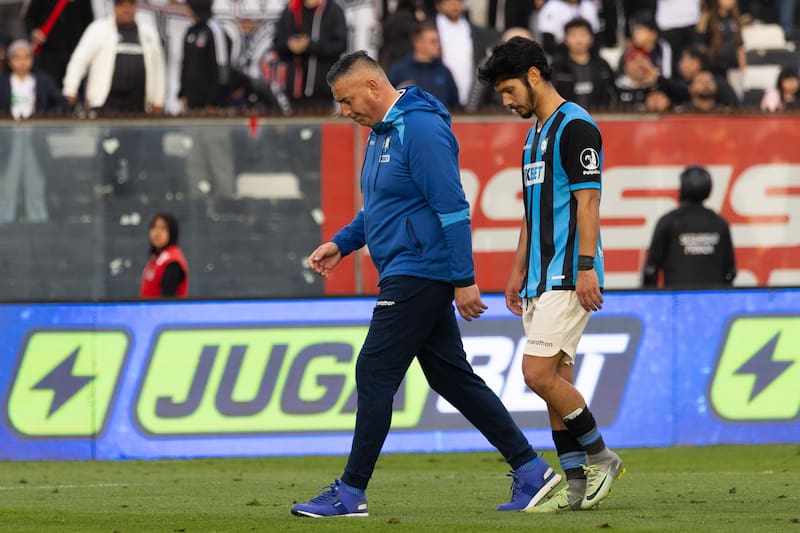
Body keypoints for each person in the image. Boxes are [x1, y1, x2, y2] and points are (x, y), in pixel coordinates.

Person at [291, 50, 561, 518]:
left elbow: (453, 206)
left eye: (347, 100)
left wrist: (464, 279)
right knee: (451, 378)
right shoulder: (381, 135)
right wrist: (342, 243)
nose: (344, 111)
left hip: (419, 271)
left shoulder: (419, 129)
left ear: (373, 87)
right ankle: (531, 470)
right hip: (411, 268)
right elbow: (382, 208)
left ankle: (351, 492)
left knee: (374, 372)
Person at [477, 36, 624, 513]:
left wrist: (585, 268)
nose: (506, 100)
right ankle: (576, 482)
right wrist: (516, 271)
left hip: (568, 273)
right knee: (555, 382)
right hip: (540, 276)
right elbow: (532, 212)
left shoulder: (576, 126)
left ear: (534, 76)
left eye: (509, 89)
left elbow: (589, 201)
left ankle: (602, 457)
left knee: (536, 373)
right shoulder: (533, 134)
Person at [0, 39, 67, 224]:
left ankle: (38, 224)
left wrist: (42, 117)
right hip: (8, 139)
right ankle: (5, 224)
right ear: (10, 61)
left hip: (35, 137)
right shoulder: (3, 82)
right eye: (17, 58)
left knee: (35, 185)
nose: (22, 62)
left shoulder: (42, 81)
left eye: (26, 57)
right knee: (7, 186)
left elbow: (61, 104)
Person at [62, 0, 165, 114]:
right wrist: (70, 89)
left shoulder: (148, 32)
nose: (126, 10)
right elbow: (78, 61)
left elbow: (158, 68)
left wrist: (158, 100)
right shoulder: (98, 29)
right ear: (115, 7)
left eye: (130, 5)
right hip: (106, 103)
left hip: (138, 105)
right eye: (122, 5)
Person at [643, 165, 736, 288]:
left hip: (678, 303)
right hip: (712, 303)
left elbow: (650, 271)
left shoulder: (668, 222)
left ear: (682, 188)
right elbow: (730, 272)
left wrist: (651, 301)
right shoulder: (720, 224)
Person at [272, 0, 348, 113]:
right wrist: (290, 45)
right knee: (296, 128)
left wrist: (309, 46)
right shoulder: (291, 10)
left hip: (323, 94)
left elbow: (340, 45)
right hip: (295, 94)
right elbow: (277, 43)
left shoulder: (332, 10)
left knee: (321, 127)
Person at [23, 0, 93, 90]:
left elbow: (88, 20)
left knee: (72, 89)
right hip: (49, 52)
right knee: (50, 89)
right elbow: (29, 18)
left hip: (75, 52)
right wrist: (34, 32)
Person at [387, 23, 460, 109]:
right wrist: (397, 93)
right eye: (433, 41)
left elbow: (455, 105)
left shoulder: (444, 71)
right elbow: (385, 103)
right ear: (418, 44)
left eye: (439, 41)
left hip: (439, 122)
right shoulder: (398, 71)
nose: (439, 46)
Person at [550, 17, 617, 110]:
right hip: (567, 119)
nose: (578, 40)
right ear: (566, 40)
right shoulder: (556, 68)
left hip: (600, 118)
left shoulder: (603, 66)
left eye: (582, 35)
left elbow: (614, 93)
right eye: (573, 36)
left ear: (591, 39)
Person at [140, 213, 189, 298]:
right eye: (154, 227)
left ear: (172, 232)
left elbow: (167, 302)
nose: (157, 233)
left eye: (163, 228)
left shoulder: (173, 262)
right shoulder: (155, 258)